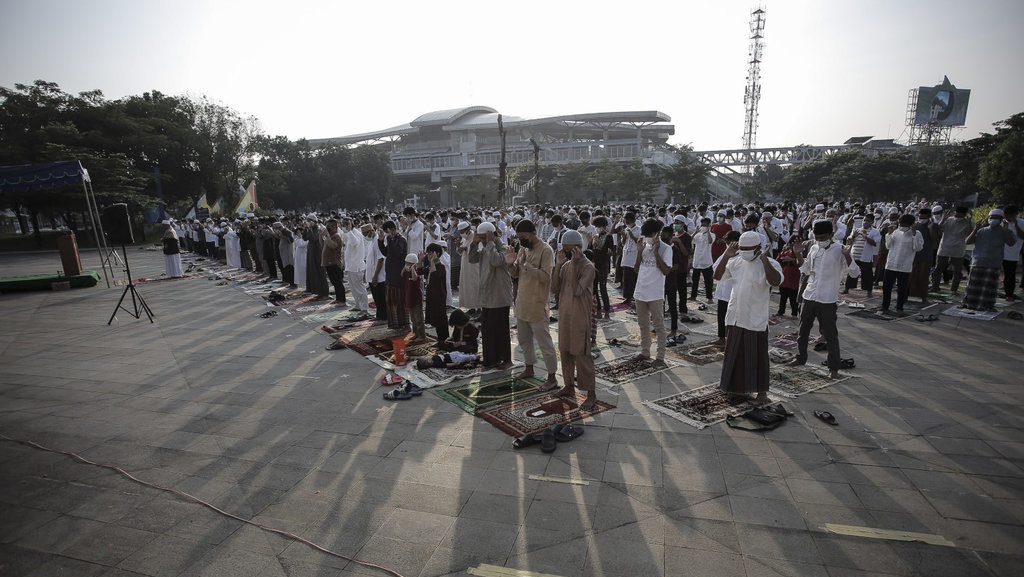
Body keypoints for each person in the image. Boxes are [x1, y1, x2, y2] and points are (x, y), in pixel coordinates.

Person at [714, 230, 783, 405]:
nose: (744, 252)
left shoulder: (771, 263)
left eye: (748, 249)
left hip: (755, 317)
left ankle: (761, 392)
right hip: (736, 315)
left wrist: (765, 259)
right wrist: (726, 255)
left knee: (757, 356)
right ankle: (732, 387)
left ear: (758, 247)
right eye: (741, 248)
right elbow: (717, 276)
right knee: (734, 354)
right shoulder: (736, 261)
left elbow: (775, 282)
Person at [788, 220, 853, 379]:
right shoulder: (814, 248)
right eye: (817, 237)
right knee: (803, 332)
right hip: (809, 295)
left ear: (831, 235)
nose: (820, 240)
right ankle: (800, 357)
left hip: (827, 299)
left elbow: (854, 273)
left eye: (823, 237)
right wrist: (798, 254)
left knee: (830, 335)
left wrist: (848, 256)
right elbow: (806, 269)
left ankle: (834, 368)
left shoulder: (840, 250)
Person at [506, 219, 558, 389]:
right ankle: (529, 368)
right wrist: (510, 263)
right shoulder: (523, 249)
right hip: (522, 302)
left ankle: (552, 377)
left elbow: (546, 277)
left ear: (533, 233)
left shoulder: (546, 250)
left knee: (545, 343)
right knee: (524, 340)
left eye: (523, 236)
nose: (520, 240)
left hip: (537, 303)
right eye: (518, 237)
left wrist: (527, 265)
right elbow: (516, 274)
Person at [550, 230, 598, 411]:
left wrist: (576, 264)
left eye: (571, 250)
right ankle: (569, 386)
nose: (568, 253)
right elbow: (554, 288)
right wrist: (558, 265)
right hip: (565, 316)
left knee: (582, 355)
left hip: (579, 318)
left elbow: (578, 290)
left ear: (579, 248)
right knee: (566, 352)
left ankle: (591, 394)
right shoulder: (565, 265)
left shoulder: (588, 267)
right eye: (566, 250)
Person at [467, 221, 514, 369]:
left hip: (499, 297)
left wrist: (490, 243)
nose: (481, 240)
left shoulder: (504, 248)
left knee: (501, 329)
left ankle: (506, 359)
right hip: (487, 296)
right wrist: (474, 244)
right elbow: (472, 259)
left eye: (483, 237)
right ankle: (491, 358)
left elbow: (495, 261)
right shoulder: (485, 247)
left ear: (490, 235)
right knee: (488, 330)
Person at [633, 219, 673, 366]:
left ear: (657, 234)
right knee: (643, 325)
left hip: (655, 293)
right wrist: (639, 251)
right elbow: (636, 268)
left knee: (659, 326)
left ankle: (660, 357)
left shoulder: (666, 249)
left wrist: (656, 252)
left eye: (650, 234)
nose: (648, 237)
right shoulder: (643, 246)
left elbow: (666, 271)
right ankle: (645, 352)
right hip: (640, 291)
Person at [963, 209, 1016, 311]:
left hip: (993, 263)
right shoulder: (981, 230)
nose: (993, 220)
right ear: (988, 218)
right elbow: (967, 241)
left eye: (996, 218)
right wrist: (975, 229)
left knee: (988, 288)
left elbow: (1011, 243)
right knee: (973, 287)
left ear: (1002, 220)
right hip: (977, 262)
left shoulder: (1005, 231)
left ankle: (986, 306)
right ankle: (970, 304)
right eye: (992, 217)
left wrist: (1005, 230)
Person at [881, 214, 923, 313]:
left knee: (902, 288)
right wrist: (889, 234)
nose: (902, 226)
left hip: (904, 265)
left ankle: (899, 307)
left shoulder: (917, 233)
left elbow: (918, 248)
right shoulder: (896, 232)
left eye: (904, 224)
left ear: (911, 225)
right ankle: (885, 305)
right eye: (901, 224)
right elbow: (888, 246)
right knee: (887, 287)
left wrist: (913, 234)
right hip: (891, 264)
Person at [930, 206, 973, 295]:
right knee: (938, 269)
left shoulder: (968, 222)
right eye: (957, 213)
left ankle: (954, 289)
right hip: (944, 247)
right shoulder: (949, 220)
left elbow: (970, 234)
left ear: (964, 214)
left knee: (957, 271)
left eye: (960, 214)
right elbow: (939, 228)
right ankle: (935, 287)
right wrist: (943, 218)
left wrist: (969, 223)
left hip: (958, 249)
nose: (957, 215)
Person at [379, 221, 409, 330]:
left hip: (398, 275)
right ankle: (394, 324)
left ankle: (404, 324)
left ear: (392, 229)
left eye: (388, 231)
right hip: (390, 275)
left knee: (400, 301)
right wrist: (381, 241)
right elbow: (386, 253)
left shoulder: (401, 240)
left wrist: (388, 239)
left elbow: (397, 253)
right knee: (391, 301)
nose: (388, 234)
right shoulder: (392, 240)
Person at [908, 208, 940, 305]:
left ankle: (923, 298)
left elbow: (935, 239)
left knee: (923, 277)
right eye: (920, 217)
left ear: (929, 217)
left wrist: (930, 229)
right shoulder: (915, 225)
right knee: (910, 277)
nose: (921, 219)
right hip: (913, 256)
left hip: (926, 256)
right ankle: (906, 295)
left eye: (924, 217)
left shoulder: (933, 226)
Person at [844, 214, 880, 296]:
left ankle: (869, 291)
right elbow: (849, 241)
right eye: (864, 220)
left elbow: (875, 243)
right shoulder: (857, 230)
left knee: (867, 274)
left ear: (872, 222)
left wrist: (865, 236)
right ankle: (847, 288)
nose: (865, 222)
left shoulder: (875, 231)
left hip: (865, 257)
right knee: (852, 272)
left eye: (868, 221)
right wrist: (853, 236)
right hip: (855, 255)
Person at [423, 243, 449, 342]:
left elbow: (437, 276)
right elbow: (421, 271)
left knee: (441, 318)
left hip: (439, 296)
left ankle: (445, 339)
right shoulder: (431, 266)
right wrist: (421, 261)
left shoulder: (441, 267)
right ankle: (440, 340)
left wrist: (433, 264)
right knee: (435, 319)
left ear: (437, 254)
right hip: (431, 295)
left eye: (431, 254)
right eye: (428, 254)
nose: (429, 256)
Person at [344, 219, 369, 314]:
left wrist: (349, 231)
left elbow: (355, 243)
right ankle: (358, 305)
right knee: (353, 288)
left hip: (356, 266)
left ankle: (364, 308)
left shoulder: (357, 234)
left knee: (359, 287)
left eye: (345, 225)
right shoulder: (349, 234)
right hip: (350, 266)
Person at [363, 224, 387, 321]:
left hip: (378, 276)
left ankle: (383, 316)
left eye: (366, 234)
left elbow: (380, 259)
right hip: (371, 274)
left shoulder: (377, 241)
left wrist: (375, 276)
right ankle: (379, 315)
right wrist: (366, 273)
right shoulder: (371, 242)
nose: (366, 237)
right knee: (376, 297)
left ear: (371, 232)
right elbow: (369, 260)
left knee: (380, 297)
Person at [322, 219, 347, 305]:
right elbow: (322, 244)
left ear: (334, 227)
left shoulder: (336, 236)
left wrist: (327, 236)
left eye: (329, 226)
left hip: (334, 263)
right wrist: (321, 235)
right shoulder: (330, 236)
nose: (327, 228)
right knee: (334, 282)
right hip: (328, 263)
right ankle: (338, 298)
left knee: (338, 282)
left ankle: (342, 300)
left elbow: (333, 246)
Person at [776, 238, 803, 317]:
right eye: (792, 243)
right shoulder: (786, 252)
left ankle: (794, 313)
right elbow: (777, 262)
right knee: (783, 298)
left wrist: (792, 259)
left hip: (793, 280)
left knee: (793, 299)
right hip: (785, 279)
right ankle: (781, 311)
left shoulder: (799, 254)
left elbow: (802, 263)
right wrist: (781, 253)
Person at [690, 217, 715, 303]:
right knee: (695, 280)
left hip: (706, 261)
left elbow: (710, 241)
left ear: (709, 226)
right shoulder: (698, 235)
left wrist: (708, 231)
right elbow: (690, 240)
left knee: (708, 281)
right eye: (702, 225)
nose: (703, 227)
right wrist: (696, 232)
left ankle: (709, 297)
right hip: (697, 261)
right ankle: (693, 296)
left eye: (705, 225)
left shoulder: (712, 234)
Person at [305, 216, 330, 298]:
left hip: (317, 253)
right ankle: (317, 291)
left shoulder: (318, 229)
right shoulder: (310, 229)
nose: (308, 222)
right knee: (313, 272)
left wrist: (310, 230)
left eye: (309, 221)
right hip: (311, 252)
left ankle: (324, 293)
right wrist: (307, 229)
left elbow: (315, 239)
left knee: (320, 272)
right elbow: (305, 238)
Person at [402, 253, 426, 339]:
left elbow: (415, 278)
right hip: (409, 297)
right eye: (406, 263)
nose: (407, 265)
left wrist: (412, 268)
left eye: (408, 263)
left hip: (416, 298)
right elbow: (401, 274)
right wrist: (405, 267)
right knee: (413, 319)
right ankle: (415, 333)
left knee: (419, 319)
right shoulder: (406, 271)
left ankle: (422, 335)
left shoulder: (416, 270)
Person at [1002, 205, 1024, 300]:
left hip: (1012, 254)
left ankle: (1009, 294)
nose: (1007, 217)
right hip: (1000, 253)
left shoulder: (1022, 222)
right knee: (999, 274)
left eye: (1010, 215)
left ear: (1015, 214)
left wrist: (1016, 225)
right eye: (1006, 215)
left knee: (1010, 275)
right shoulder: (1002, 222)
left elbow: (1022, 237)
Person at [276, 221, 297, 289]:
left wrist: (282, 236)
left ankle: (293, 284)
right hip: (284, 253)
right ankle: (290, 282)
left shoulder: (288, 232)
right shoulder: (282, 232)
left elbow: (291, 240)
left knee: (290, 268)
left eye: (278, 228)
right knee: (286, 269)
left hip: (288, 253)